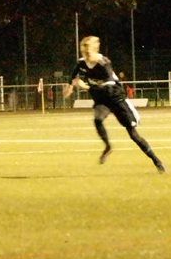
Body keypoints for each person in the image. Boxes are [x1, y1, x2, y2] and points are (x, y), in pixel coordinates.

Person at [64, 35, 165, 173]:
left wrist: (86, 86)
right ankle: (108, 147)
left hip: (116, 98)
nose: (86, 55)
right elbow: (73, 77)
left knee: (133, 134)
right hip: (102, 100)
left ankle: (157, 161)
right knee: (97, 120)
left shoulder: (103, 63)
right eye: (84, 52)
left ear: (95, 49)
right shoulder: (81, 63)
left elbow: (109, 85)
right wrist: (70, 86)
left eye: (88, 52)